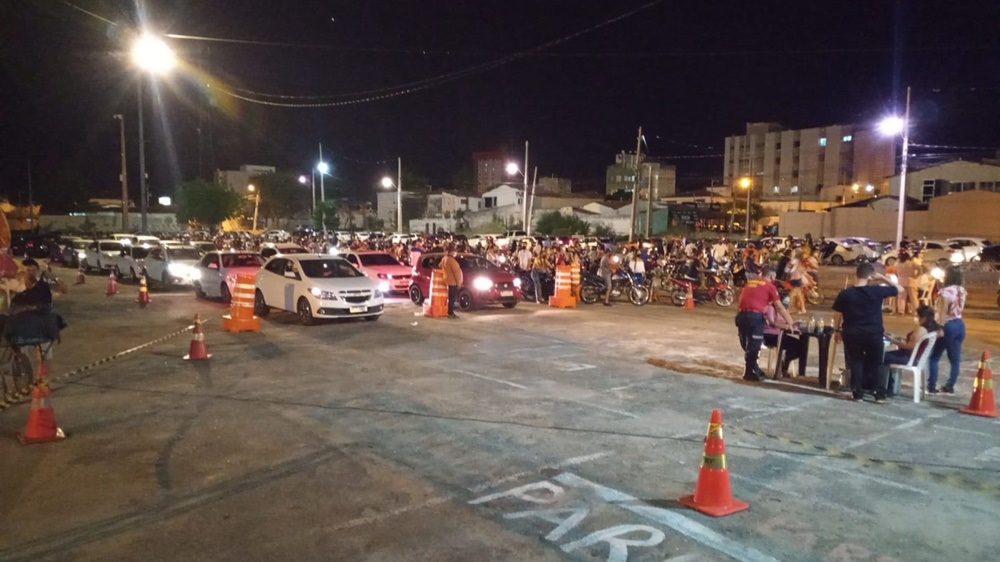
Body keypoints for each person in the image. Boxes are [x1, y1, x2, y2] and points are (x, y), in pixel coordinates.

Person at [832, 263, 903, 402]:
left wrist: (836, 330)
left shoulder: (845, 293)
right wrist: (883, 278)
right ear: (870, 276)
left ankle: (858, 393)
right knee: (877, 363)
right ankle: (879, 394)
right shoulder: (876, 291)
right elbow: (899, 289)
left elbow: (837, 315)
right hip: (873, 332)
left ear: (855, 275)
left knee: (856, 362)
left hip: (852, 332)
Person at [736, 265, 794, 382]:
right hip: (754, 317)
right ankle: (753, 371)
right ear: (772, 277)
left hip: (741, 316)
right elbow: (780, 307)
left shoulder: (750, 283)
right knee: (754, 346)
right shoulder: (770, 286)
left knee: (747, 345)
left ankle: (750, 372)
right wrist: (790, 322)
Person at [926, 266, 967, 394]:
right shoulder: (962, 290)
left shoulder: (944, 292)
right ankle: (949, 386)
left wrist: (939, 328)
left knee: (934, 357)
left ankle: (931, 386)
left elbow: (942, 312)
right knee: (954, 360)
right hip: (960, 323)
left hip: (948, 324)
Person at [439, 244, 463, 319]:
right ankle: (450, 313)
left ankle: (450, 312)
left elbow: (440, 265)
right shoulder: (451, 260)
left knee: (450, 298)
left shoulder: (444, 258)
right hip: (453, 282)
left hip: (447, 280)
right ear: (452, 252)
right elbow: (456, 272)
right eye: (454, 252)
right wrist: (459, 283)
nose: (455, 253)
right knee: (452, 298)